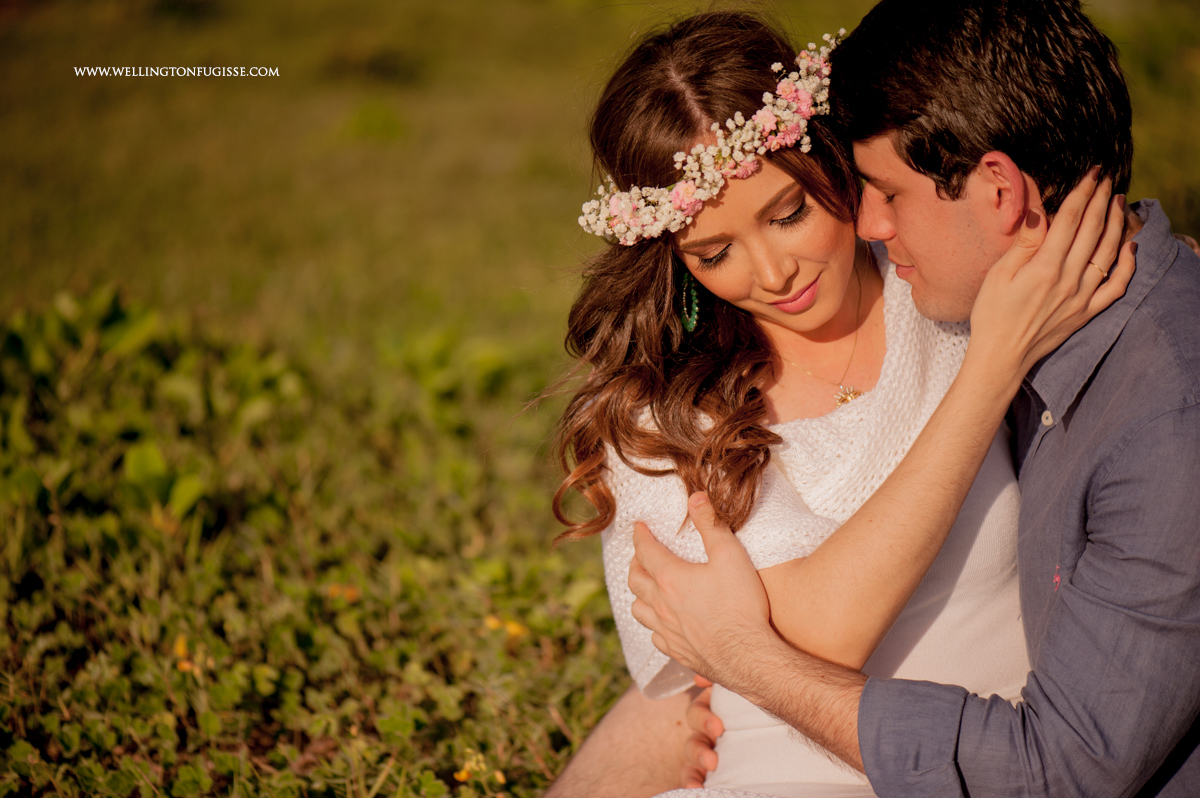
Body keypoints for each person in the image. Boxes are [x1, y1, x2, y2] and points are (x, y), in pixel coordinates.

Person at [545, 10, 1133, 797]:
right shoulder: (665, 420)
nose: (774, 273)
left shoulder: (943, 290)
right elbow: (824, 633)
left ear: (832, 159)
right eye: (715, 254)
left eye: (790, 214)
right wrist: (991, 371)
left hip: (994, 766)